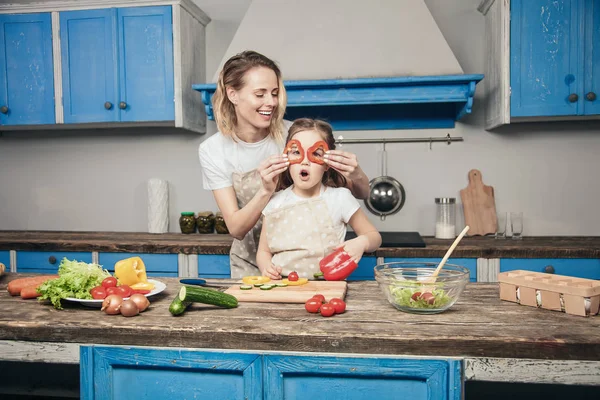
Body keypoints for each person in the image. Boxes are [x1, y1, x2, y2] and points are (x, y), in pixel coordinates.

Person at [198, 51, 371, 278]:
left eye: (274, 93)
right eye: (260, 94)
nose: (270, 103)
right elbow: (236, 229)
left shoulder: (294, 136)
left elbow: (362, 192)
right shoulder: (213, 150)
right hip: (250, 262)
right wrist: (265, 191)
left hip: (301, 267)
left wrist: (356, 174)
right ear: (233, 94)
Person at [256, 118, 382, 280]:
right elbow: (264, 251)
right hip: (285, 286)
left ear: (327, 163)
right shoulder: (274, 202)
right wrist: (266, 267)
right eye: (296, 152)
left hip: (328, 289)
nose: (305, 161)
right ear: (286, 157)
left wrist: (362, 242)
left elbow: (374, 236)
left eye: (316, 154)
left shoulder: (340, 198)